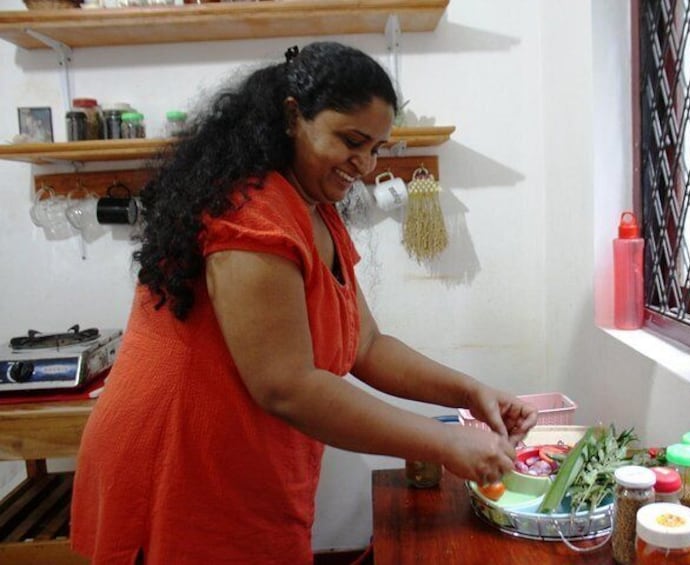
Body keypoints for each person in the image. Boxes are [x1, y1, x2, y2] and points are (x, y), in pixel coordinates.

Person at [70, 42, 537, 564]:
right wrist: (444, 443)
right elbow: (286, 385)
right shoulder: (251, 214)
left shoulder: (315, 206)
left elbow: (368, 344)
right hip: (178, 462)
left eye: (377, 147)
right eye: (351, 140)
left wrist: (470, 394)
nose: (364, 165)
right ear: (294, 116)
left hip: (236, 462)